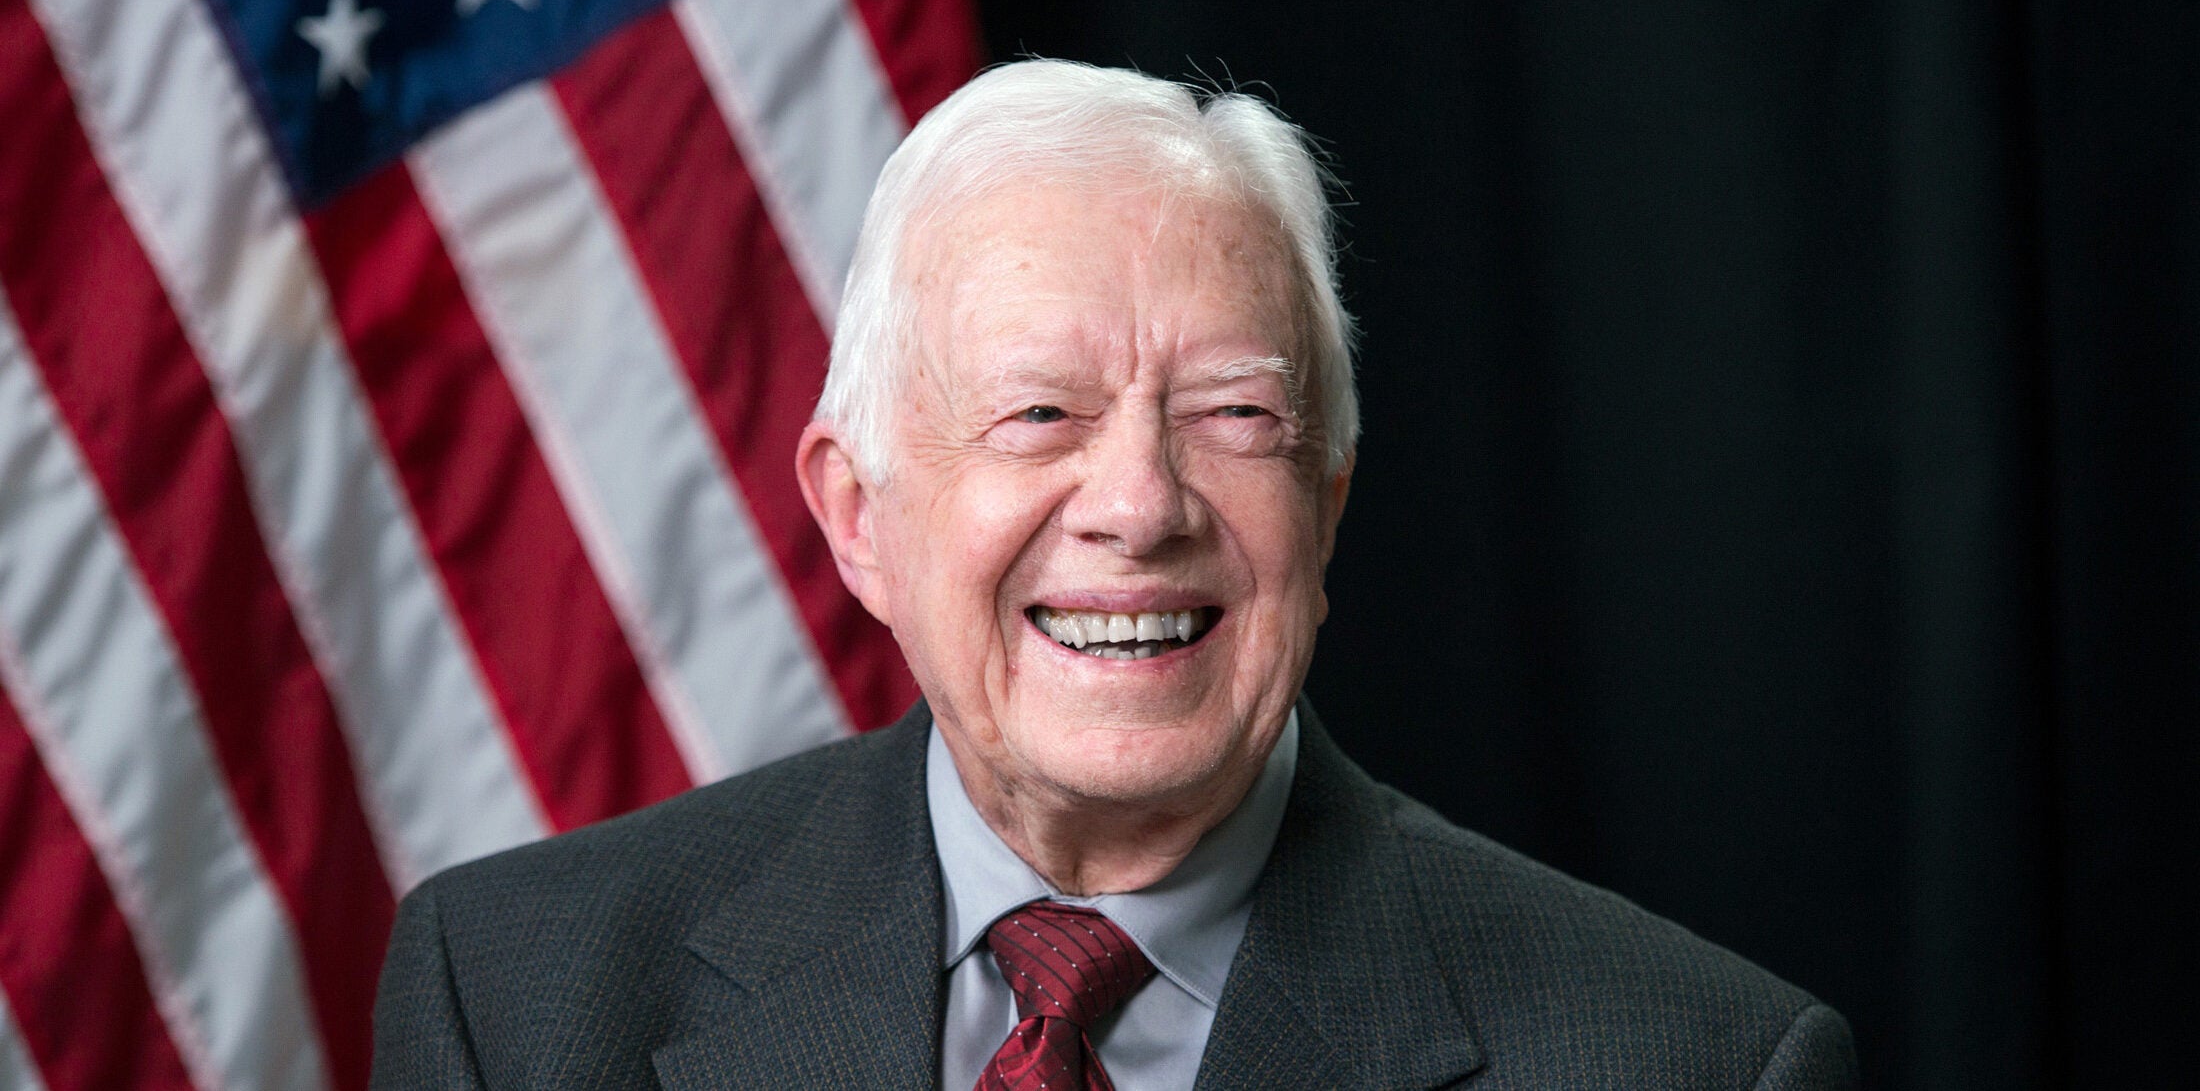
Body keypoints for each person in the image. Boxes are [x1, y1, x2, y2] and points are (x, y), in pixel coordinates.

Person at [370, 59, 1860, 1089]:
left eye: (1235, 416)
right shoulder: (516, 998)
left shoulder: (1697, 1059)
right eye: (1040, 415)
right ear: (857, 513)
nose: (1141, 505)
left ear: (1325, 507)